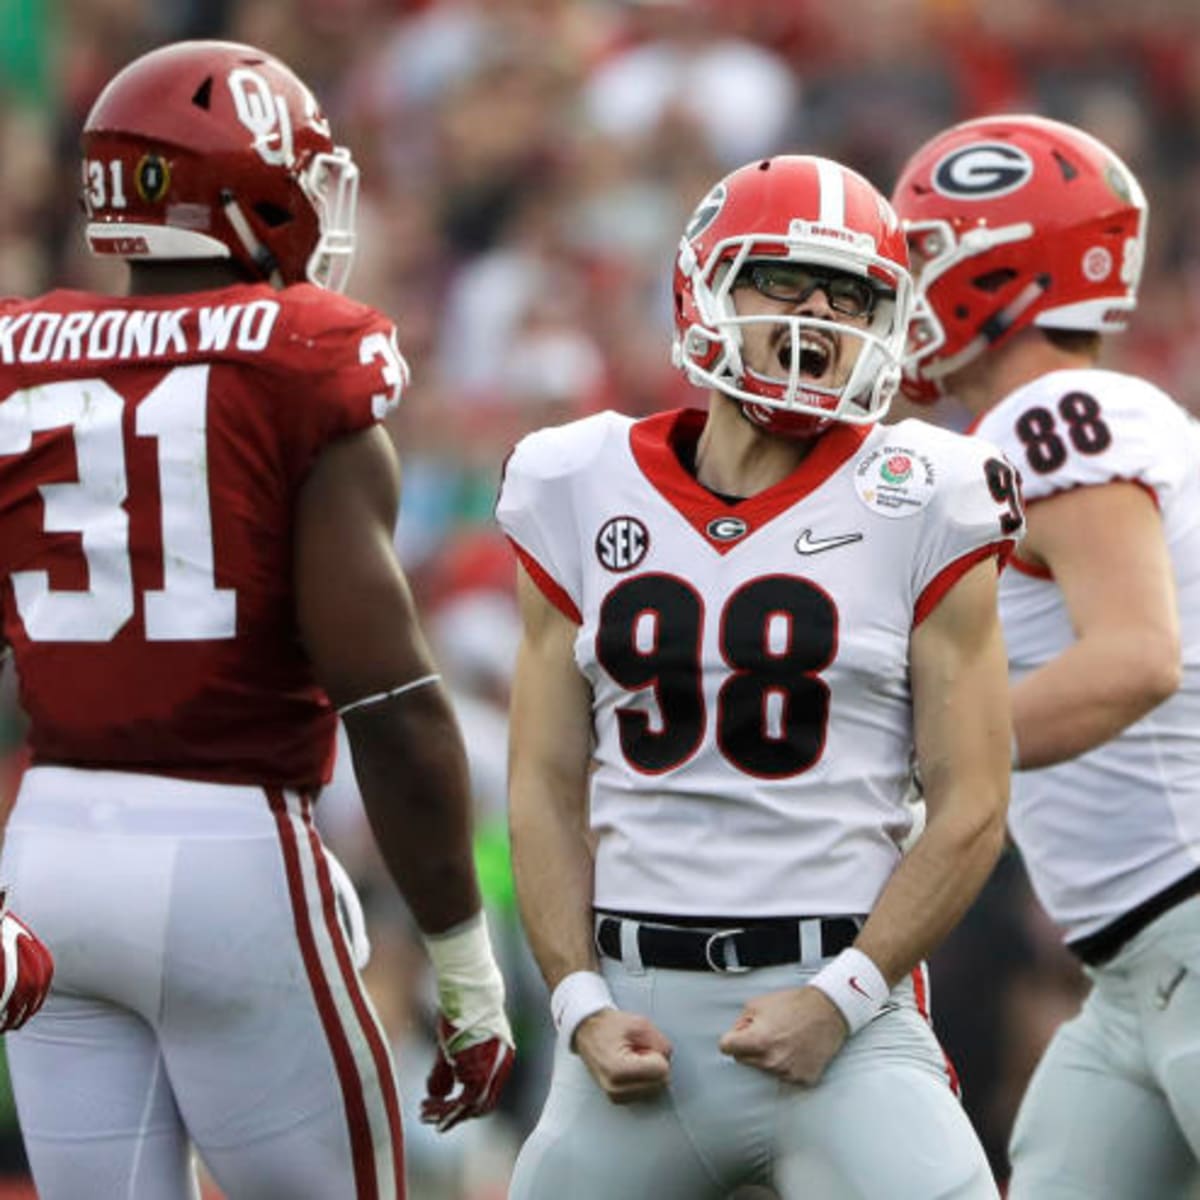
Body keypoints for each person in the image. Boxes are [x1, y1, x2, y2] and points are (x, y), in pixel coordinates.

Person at [0, 40, 514, 1200]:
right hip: (234, 855)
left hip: (48, 857)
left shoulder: (19, 359)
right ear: (247, 187)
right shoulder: (298, 360)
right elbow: (392, 703)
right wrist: (466, 970)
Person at [495, 153, 1023, 1199]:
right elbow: (545, 782)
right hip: (634, 1018)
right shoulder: (575, 478)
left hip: (845, 1008)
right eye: (784, 278)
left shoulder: (925, 492)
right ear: (704, 287)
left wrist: (841, 998)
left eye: (856, 293)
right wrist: (577, 1005)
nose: (821, 315)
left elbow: (973, 803)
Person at [892, 113, 1200, 1197]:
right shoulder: (1048, 424)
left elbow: (1134, 660)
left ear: (1004, 267)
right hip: (1132, 968)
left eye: (922, 255)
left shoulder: (1049, 416)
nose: (902, 287)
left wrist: (907, 755)